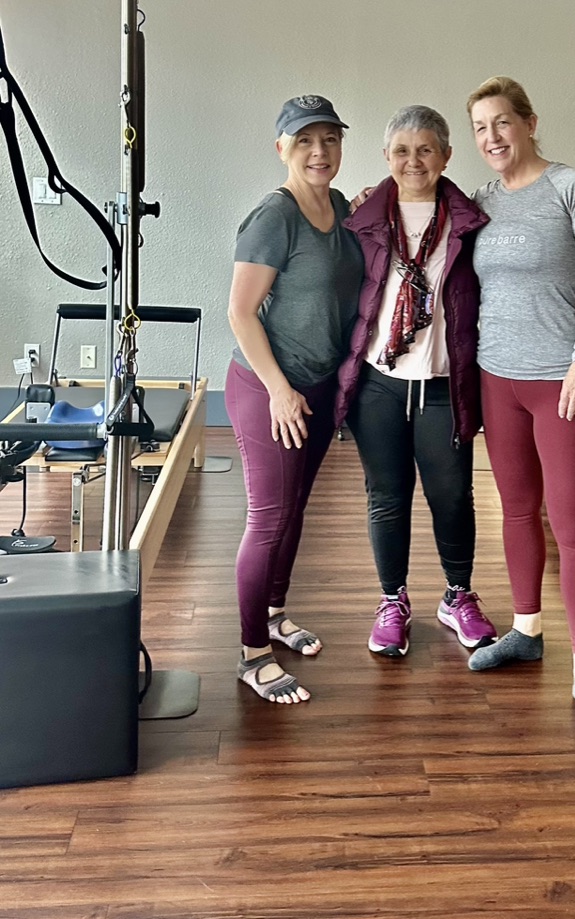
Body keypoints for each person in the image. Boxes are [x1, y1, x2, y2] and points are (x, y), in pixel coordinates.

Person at [465, 77, 575, 740]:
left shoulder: (572, 186)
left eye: (502, 122)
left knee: (573, 527)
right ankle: (526, 630)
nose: (491, 137)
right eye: (480, 128)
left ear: (529, 122)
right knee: (515, 509)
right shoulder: (480, 200)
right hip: (495, 377)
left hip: (562, 380)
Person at [336, 105, 496, 658]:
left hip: (443, 383)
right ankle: (392, 600)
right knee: (387, 496)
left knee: (452, 495)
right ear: (386, 156)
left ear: (446, 156)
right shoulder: (362, 220)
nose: (413, 161)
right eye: (402, 151)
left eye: (425, 149)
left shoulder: (470, 222)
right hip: (379, 383)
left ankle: (457, 596)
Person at [225, 95, 363, 702]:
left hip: (317, 386)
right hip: (267, 387)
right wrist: (279, 390)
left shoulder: (340, 206)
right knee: (268, 517)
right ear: (282, 148)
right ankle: (252, 653)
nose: (319, 151)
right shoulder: (274, 217)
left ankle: (274, 614)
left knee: (295, 507)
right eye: (304, 140)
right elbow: (240, 312)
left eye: (329, 138)